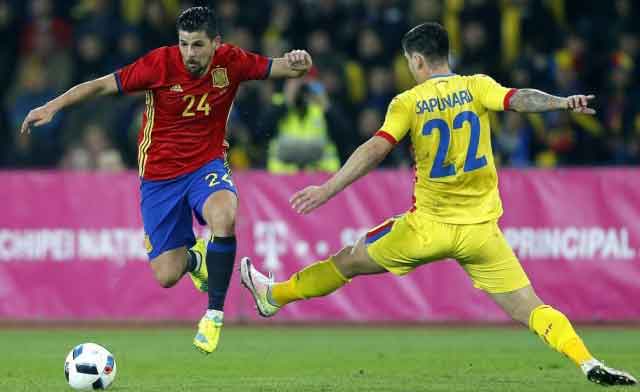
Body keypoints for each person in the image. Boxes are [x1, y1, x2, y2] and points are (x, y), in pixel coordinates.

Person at [240, 22, 637, 387]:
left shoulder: (408, 101)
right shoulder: (478, 85)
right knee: (531, 308)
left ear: (416, 60)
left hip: (425, 230)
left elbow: (376, 149)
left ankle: (276, 296)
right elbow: (520, 100)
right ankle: (586, 361)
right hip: (481, 233)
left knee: (347, 261)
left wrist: (328, 189)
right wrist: (563, 103)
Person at [20, 6, 312, 354]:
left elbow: (284, 67)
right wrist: (54, 106)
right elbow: (101, 86)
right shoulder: (159, 64)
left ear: (216, 43)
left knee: (225, 214)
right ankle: (196, 261)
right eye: (184, 44)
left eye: (198, 45)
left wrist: (300, 61)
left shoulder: (232, 61)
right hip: (159, 178)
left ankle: (214, 316)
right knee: (167, 274)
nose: (190, 53)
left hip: (206, 165)